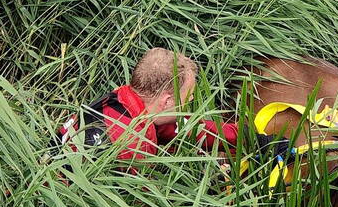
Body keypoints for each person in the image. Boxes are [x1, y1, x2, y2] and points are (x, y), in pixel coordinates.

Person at [56, 47, 240, 164]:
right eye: (188, 96)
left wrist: (243, 136)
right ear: (167, 101)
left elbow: (186, 129)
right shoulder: (133, 146)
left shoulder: (125, 100)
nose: (191, 101)